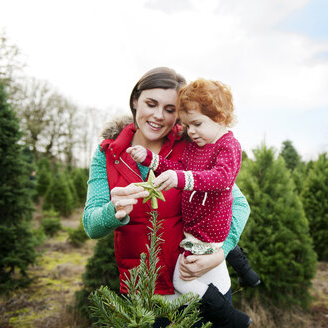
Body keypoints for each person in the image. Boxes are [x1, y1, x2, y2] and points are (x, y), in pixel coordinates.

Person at [82, 67, 250, 328]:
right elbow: (91, 225)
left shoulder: (193, 147)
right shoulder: (109, 154)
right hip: (145, 299)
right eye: (151, 104)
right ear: (135, 100)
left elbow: (238, 203)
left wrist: (221, 253)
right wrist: (113, 210)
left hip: (201, 290)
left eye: (170, 109)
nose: (158, 116)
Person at [127, 79, 251, 327]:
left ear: (221, 117)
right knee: (204, 278)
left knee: (183, 281)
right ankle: (233, 299)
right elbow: (178, 167)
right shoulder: (196, 145)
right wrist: (151, 159)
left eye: (197, 124)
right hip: (193, 230)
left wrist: (182, 179)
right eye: (187, 125)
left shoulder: (227, 145)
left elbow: (223, 178)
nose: (191, 131)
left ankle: (231, 318)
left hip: (207, 231)